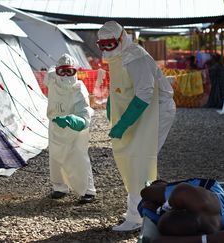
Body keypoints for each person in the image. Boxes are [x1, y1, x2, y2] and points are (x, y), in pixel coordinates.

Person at [96, 21, 176, 231]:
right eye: (101, 45)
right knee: (133, 158)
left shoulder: (135, 57)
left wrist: (123, 123)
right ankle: (142, 207)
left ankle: (136, 216)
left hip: (156, 111)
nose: (105, 49)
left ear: (121, 39)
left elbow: (144, 93)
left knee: (139, 159)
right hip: (144, 113)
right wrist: (113, 109)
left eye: (109, 44)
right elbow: (119, 87)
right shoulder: (120, 55)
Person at [139, 179, 224, 243]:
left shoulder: (198, 206)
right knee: (149, 194)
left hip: (209, 203)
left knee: (147, 193)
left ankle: (161, 187)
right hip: (208, 195)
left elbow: (159, 242)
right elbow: (181, 191)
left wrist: (161, 210)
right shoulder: (197, 202)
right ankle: (162, 187)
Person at [45, 53, 96, 204]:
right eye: (63, 71)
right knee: (55, 157)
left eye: (70, 71)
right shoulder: (52, 80)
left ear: (76, 72)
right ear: (57, 72)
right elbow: (50, 70)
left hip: (74, 129)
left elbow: (85, 114)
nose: (66, 75)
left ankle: (88, 190)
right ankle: (59, 187)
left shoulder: (79, 89)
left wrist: (71, 120)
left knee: (79, 158)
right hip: (55, 126)